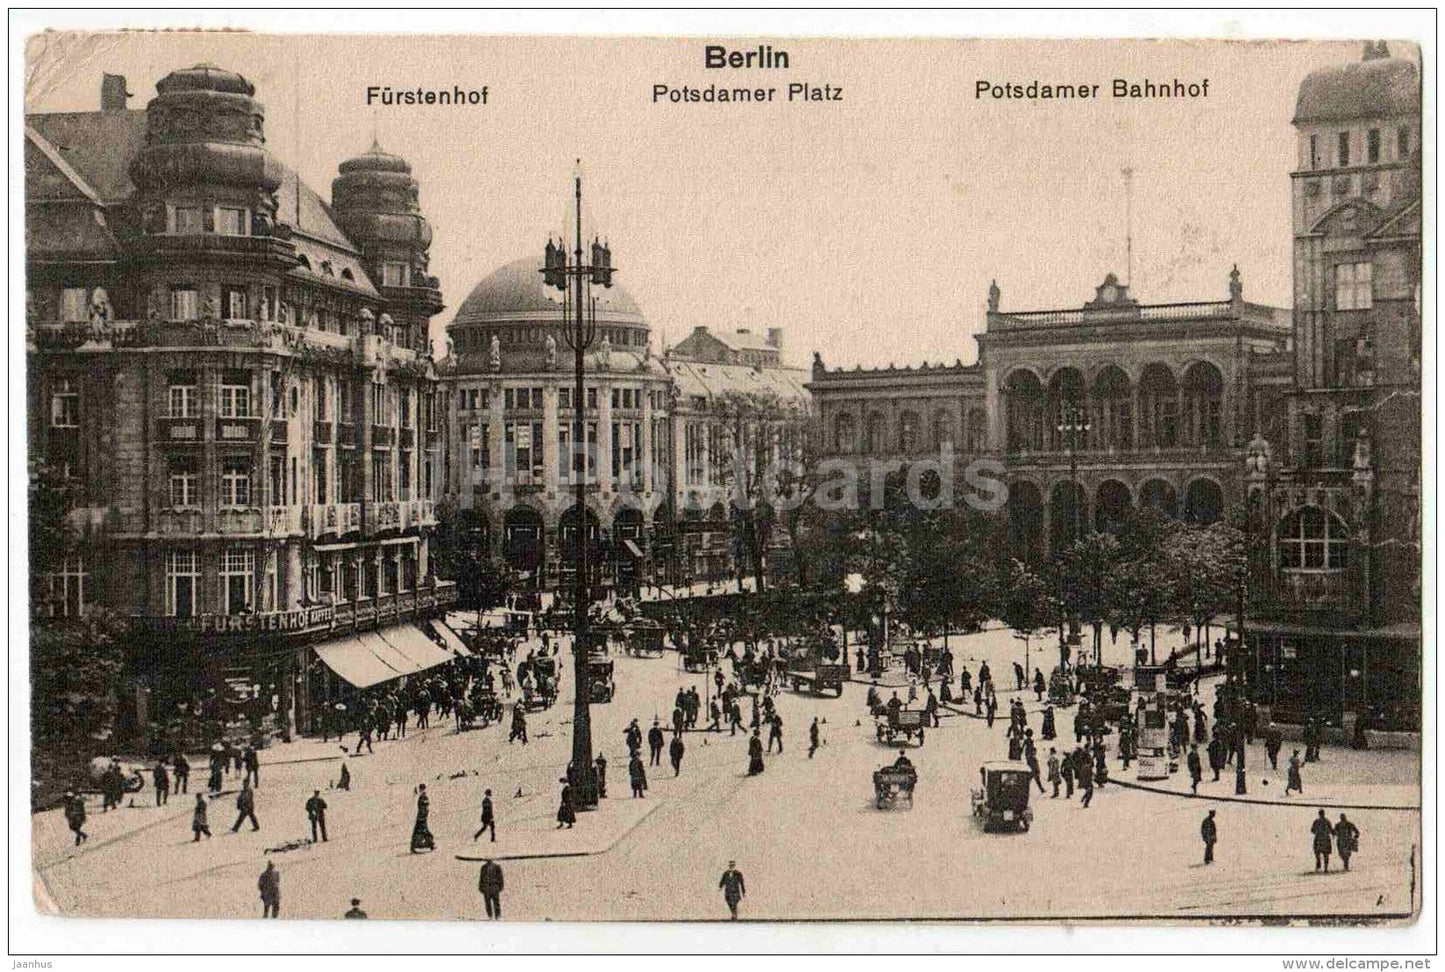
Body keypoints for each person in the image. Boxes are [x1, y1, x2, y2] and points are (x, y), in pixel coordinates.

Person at [410, 784, 435, 852]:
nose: (421, 790)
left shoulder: (423, 797)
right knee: (423, 832)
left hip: (422, 817)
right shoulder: (423, 797)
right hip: (422, 817)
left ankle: (416, 846)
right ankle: (430, 845)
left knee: (420, 832)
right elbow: (424, 808)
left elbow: (424, 808)